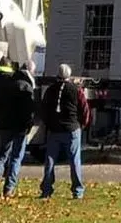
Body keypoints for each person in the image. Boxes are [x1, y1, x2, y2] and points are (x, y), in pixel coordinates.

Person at [0, 60, 38, 196]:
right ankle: (9, 187)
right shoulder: (27, 87)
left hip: (5, 125)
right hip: (20, 127)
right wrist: (29, 124)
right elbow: (29, 110)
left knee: (1, 155)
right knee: (16, 157)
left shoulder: (8, 84)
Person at [39, 64, 89, 200]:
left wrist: (48, 124)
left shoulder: (50, 90)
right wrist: (82, 125)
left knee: (50, 160)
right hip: (72, 129)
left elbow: (43, 109)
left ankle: (46, 190)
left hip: (54, 130)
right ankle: (77, 191)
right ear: (69, 76)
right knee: (74, 161)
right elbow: (84, 109)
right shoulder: (76, 90)